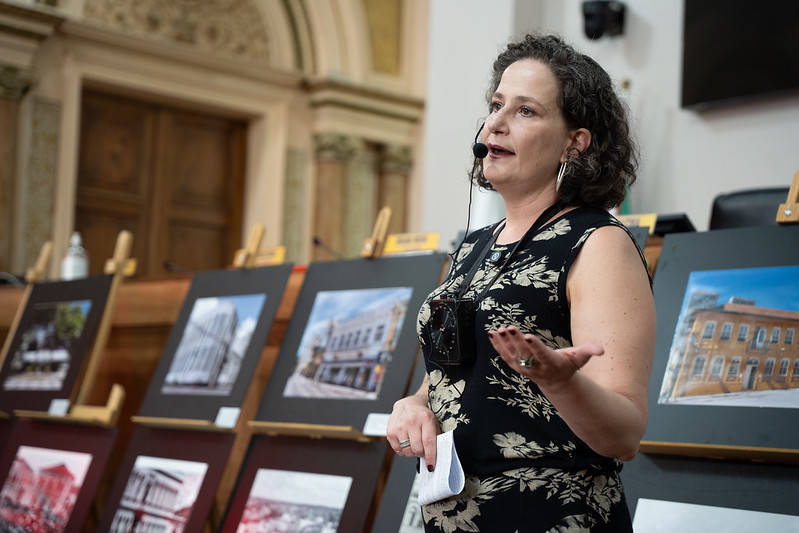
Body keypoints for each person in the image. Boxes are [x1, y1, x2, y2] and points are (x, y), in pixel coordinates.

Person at [386, 33, 656, 532]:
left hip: (551, 516)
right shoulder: (473, 244)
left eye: (526, 111)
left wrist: (559, 380)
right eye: (495, 105)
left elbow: (625, 435)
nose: (496, 123)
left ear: (575, 143)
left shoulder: (598, 243)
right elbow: (464, 367)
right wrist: (414, 403)